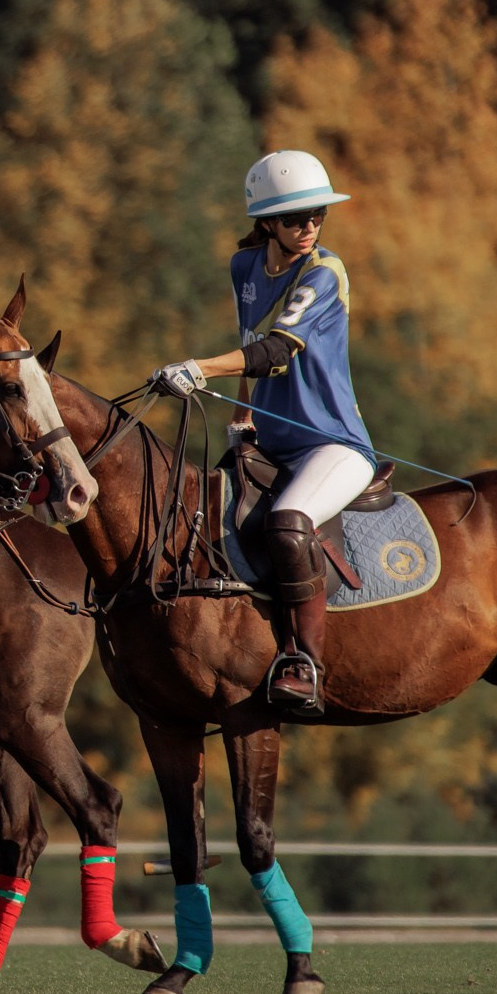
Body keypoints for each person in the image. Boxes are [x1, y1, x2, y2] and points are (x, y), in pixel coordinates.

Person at [148, 150, 374, 719]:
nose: (310, 227)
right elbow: (249, 339)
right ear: (266, 221)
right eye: (297, 217)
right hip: (269, 444)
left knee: (288, 522)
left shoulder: (324, 271)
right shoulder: (244, 268)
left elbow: (273, 352)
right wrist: (243, 422)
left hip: (332, 445)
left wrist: (198, 368)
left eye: (318, 214)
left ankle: (305, 662)